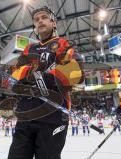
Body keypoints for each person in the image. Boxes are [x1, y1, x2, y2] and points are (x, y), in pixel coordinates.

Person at [8, 6, 83, 159]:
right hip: (26, 114)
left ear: (53, 23)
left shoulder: (62, 44)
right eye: (36, 20)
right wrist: (31, 74)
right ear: (34, 27)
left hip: (53, 115)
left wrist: (44, 77)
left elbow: (76, 73)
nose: (40, 21)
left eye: (44, 18)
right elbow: (14, 76)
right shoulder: (29, 49)